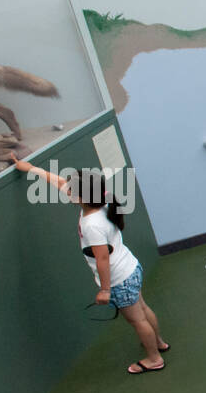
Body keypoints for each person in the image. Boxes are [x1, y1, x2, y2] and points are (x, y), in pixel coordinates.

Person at [10, 154, 170, 374]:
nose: (66, 191)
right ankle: (158, 342)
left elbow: (102, 258)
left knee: (137, 320)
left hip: (118, 280)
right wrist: (29, 169)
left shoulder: (91, 225)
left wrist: (105, 290)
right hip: (131, 268)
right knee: (142, 308)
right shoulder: (101, 203)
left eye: (71, 190)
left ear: (79, 197)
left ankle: (154, 358)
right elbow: (58, 181)